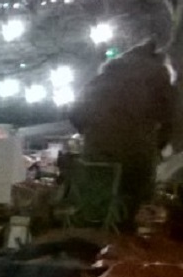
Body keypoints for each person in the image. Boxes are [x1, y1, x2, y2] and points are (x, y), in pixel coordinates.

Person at [70, 41, 179, 223]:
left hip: (97, 153)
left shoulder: (104, 77)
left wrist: (93, 132)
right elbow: (170, 119)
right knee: (139, 202)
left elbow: (75, 113)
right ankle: (131, 233)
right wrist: (158, 146)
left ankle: (91, 227)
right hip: (136, 152)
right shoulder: (160, 78)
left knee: (94, 198)